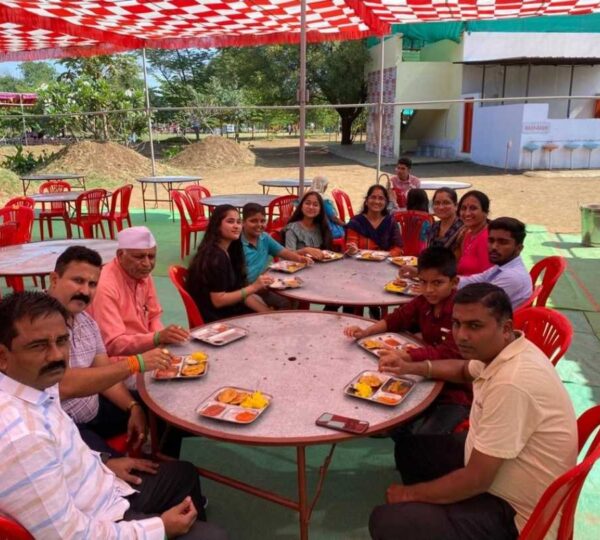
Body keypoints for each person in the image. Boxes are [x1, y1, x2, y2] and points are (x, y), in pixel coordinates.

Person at [0, 291, 227, 539]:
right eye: (38, 345)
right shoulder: (22, 437)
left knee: (183, 473)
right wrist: (161, 528)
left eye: (62, 341)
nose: (56, 355)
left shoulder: (36, 385)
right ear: (3, 357)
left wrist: (103, 463)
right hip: (99, 519)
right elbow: (70, 536)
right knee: (214, 536)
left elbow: (64, 448)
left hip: (104, 491)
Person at [369, 283, 577, 540]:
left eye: (474, 326)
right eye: (457, 324)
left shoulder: (511, 383)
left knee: (386, 522)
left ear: (505, 328)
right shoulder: (507, 349)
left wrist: (408, 495)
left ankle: (425, 514)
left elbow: (477, 479)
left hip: (516, 512)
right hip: (503, 471)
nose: (461, 335)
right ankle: (429, 514)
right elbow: (463, 369)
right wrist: (410, 367)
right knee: (410, 449)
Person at [48, 246, 174, 455]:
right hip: (61, 424)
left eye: (92, 284)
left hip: (94, 409)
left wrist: (132, 406)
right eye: (78, 281)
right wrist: (135, 363)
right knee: (114, 470)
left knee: (164, 409)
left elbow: (106, 374)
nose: (85, 291)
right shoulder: (38, 323)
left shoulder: (86, 322)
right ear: (54, 279)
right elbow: (63, 384)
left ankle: (157, 458)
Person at [344, 247, 471, 434]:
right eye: (423, 282)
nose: (429, 290)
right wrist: (365, 332)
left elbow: (446, 352)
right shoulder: (423, 301)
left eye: (437, 283)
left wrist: (405, 354)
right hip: (423, 377)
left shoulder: (460, 312)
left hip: (454, 389)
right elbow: (398, 318)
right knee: (388, 422)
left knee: (425, 438)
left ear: (454, 282)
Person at [89, 226, 189, 357]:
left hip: (146, 350)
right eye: (139, 257)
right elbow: (113, 345)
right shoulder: (105, 286)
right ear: (120, 255)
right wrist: (157, 338)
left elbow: (153, 317)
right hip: (118, 361)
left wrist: (163, 341)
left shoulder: (142, 274)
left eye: (151, 257)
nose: (147, 263)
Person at [187, 204, 272, 323]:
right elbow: (218, 301)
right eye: (230, 221)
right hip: (217, 320)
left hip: (229, 310)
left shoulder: (228, 251)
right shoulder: (215, 257)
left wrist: (269, 313)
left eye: (238, 222)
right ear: (217, 225)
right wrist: (254, 287)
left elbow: (239, 290)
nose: (236, 226)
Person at [241, 202, 311, 309]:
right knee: (283, 303)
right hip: (247, 290)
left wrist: (300, 258)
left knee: (294, 298)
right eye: (253, 221)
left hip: (265, 285)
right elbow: (239, 282)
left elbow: (283, 252)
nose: (259, 225)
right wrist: (255, 287)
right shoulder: (237, 244)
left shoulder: (264, 237)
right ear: (243, 222)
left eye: (262, 221)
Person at [459, 217, 532, 309]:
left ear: (519, 248)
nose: (494, 247)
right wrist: (449, 282)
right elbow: (473, 280)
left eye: (503, 242)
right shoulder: (502, 266)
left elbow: (479, 305)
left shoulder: (512, 276)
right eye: (491, 240)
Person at [346, 184, 403, 257]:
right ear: (366, 201)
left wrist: (385, 255)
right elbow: (350, 246)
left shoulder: (390, 222)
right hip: (360, 262)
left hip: (385, 262)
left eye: (381, 198)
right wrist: (352, 250)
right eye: (373, 197)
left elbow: (398, 248)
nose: (376, 201)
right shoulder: (356, 222)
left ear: (386, 203)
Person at [283, 190, 333, 259]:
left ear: (320, 210)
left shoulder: (321, 227)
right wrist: (305, 251)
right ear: (301, 206)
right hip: (297, 265)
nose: (311, 207)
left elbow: (327, 252)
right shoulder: (292, 229)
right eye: (307, 203)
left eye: (315, 205)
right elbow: (287, 256)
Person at [456, 190, 493, 276]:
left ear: (485, 212)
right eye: (463, 208)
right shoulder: (467, 234)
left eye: (473, 208)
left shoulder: (488, 238)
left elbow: (488, 276)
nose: (467, 213)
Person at [426, 187, 463, 252]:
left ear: (456, 206)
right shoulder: (434, 227)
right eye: (437, 203)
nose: (441, 207)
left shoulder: (463, 230)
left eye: (446, 203)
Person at [310, 175, 346, 240]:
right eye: (326, 185)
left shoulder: (307, 196)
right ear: (323, 186)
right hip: (326, 230)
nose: (326, 187)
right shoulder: (324, 200)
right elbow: (333, 218)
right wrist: (346, 225)